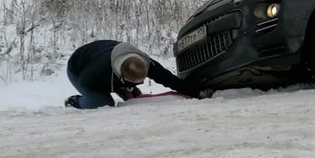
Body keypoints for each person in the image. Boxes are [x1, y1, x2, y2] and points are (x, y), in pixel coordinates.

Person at [64, 40, 210, 109]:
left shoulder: (146, 63)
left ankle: (124, 87)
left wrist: (196, 92)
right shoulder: (98, 71)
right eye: (132, 83)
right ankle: (75, 102)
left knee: (135, 99)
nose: (136, 85)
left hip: (113, 70)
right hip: (78, 70)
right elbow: (86, 82)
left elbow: (170, 80)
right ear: (121, 75)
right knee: (104, 103)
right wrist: (114, 88)